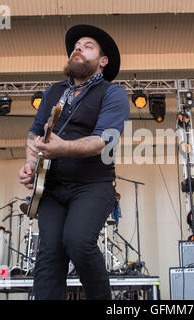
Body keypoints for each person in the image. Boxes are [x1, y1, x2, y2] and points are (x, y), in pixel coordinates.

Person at [18, 24, 130, 300]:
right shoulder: (53, 92)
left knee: (78, 243)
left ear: (103, 62)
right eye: (76, 45)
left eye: (88, 46)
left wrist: (63, 148)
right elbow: (35, 133)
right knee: (49, 254)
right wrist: (31, 163)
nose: (77, 48)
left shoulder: (113, 93)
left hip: (92, 185)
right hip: (52, 188)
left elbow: (104, 140)